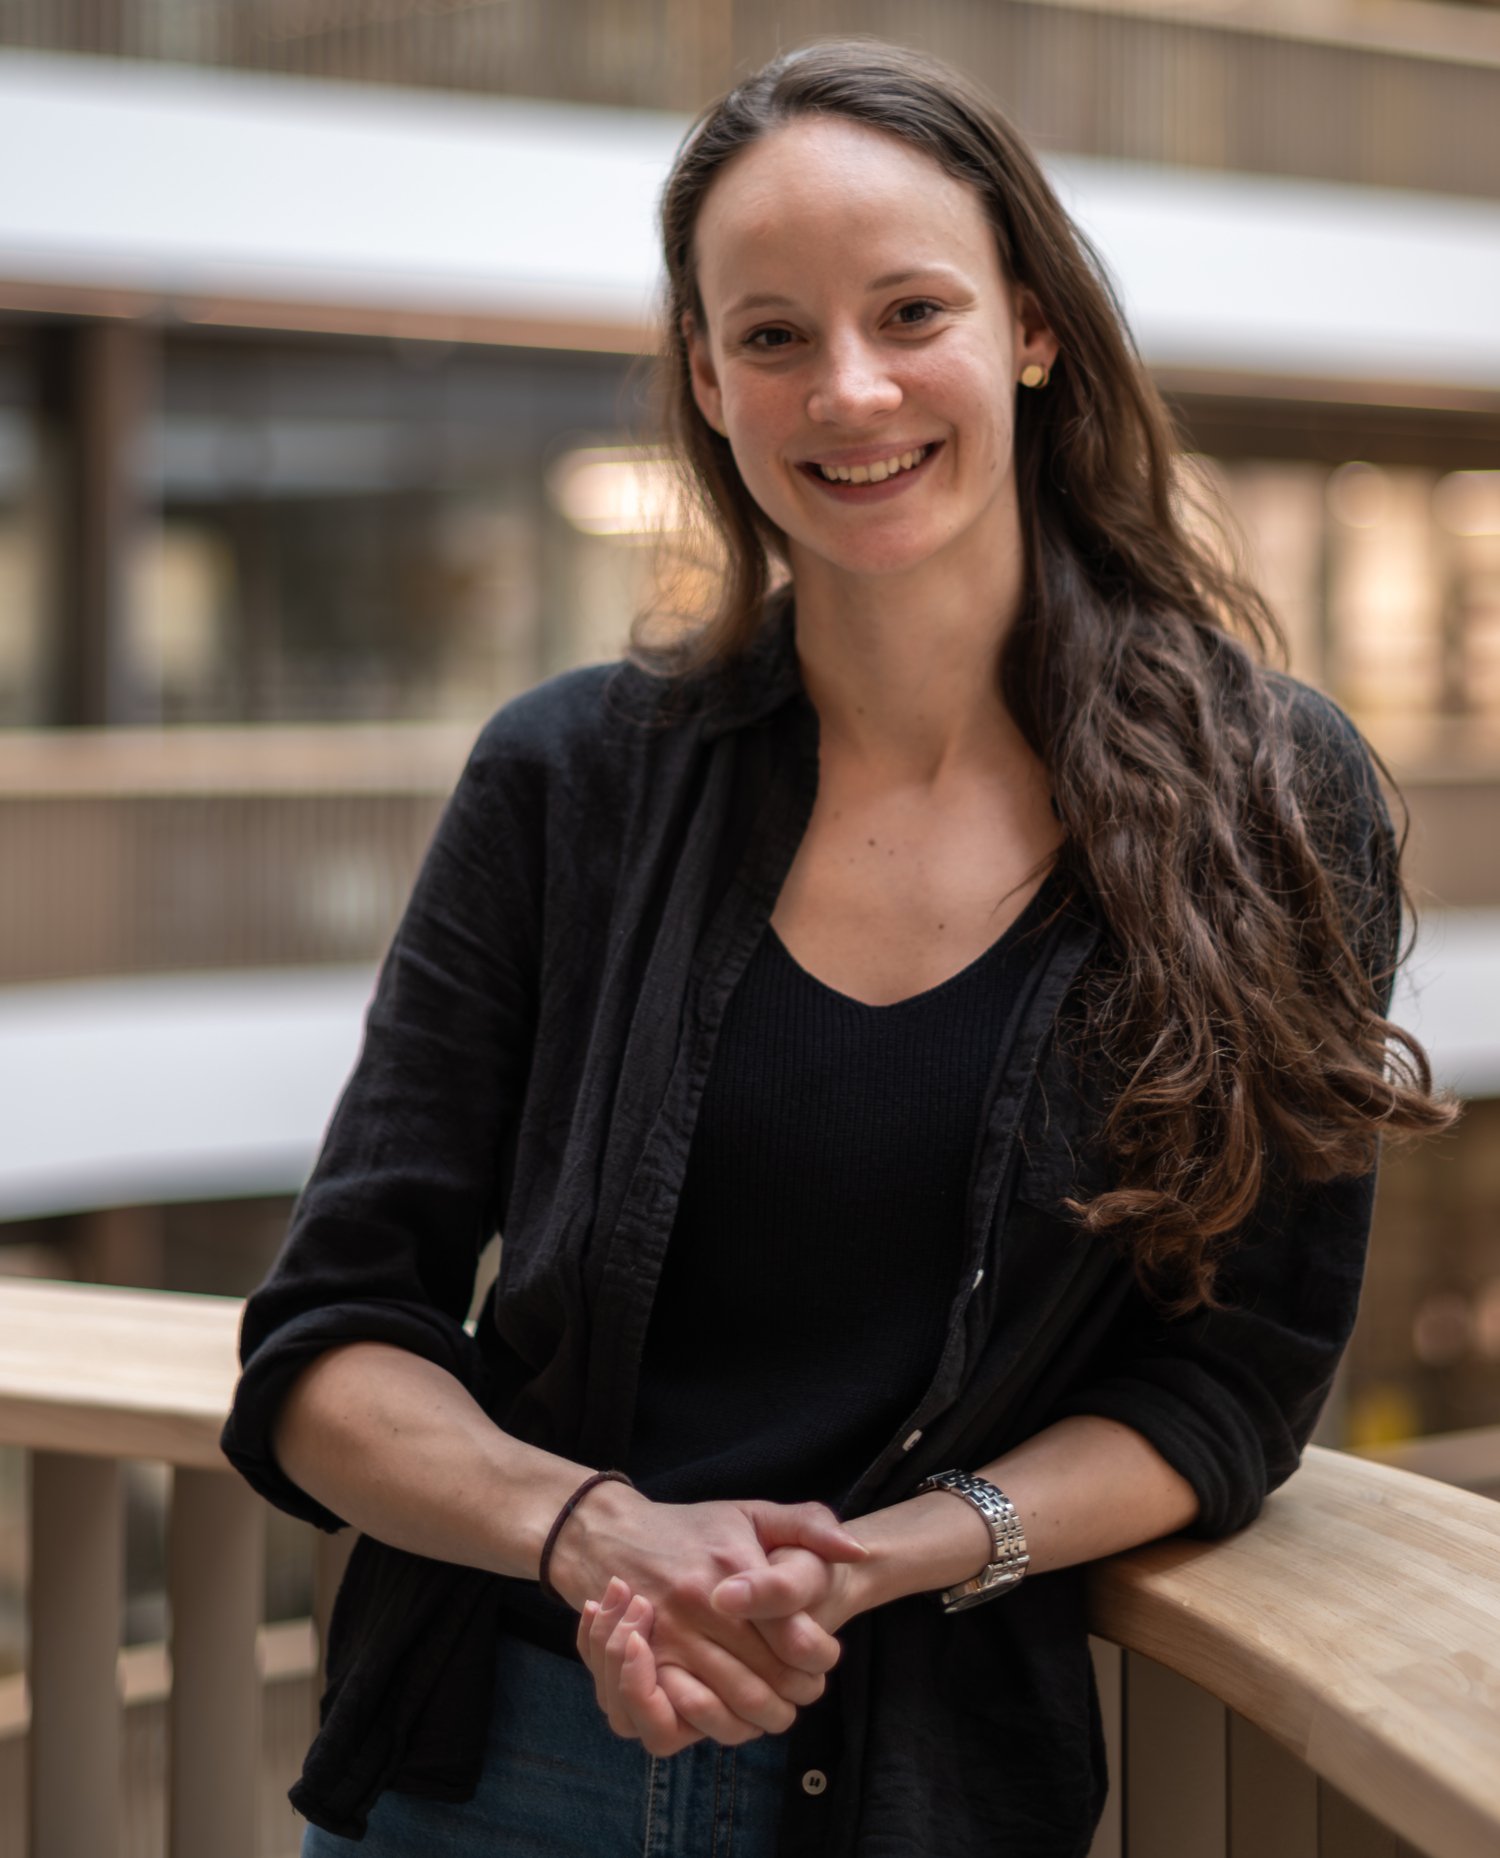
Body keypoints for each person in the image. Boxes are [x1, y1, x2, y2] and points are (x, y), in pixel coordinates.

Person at [220, 36, 1453, 1858]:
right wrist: (602, 1534)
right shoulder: (568, 779)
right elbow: (331, 1340)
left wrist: (874, 1563)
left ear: (1031, 327)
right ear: (709, 381)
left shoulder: (1271, 792)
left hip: (916, 1778)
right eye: (775, 335)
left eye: (911, 310)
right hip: (484, 1760)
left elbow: (1233, 1379)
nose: (851, 388)